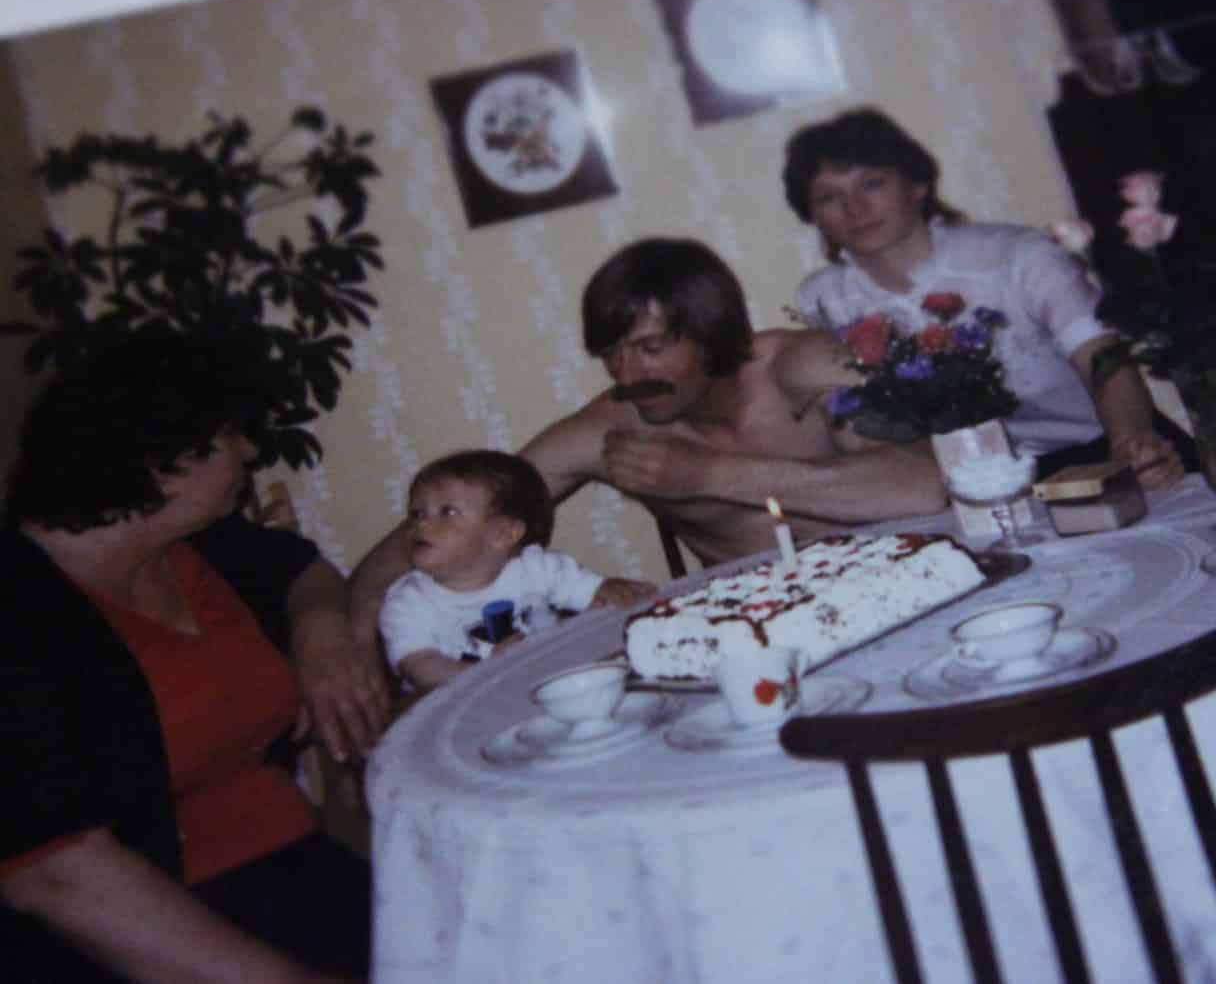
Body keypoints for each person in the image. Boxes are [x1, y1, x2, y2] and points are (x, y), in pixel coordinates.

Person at [0, 332, 370, 983]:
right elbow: (53, 873)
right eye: (232, 432)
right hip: (160, 937)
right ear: (163, 459)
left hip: (301, 869)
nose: (251, 449)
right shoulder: (19, 611)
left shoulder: (197, 543)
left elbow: (302, 570)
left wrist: (322, 629)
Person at [346, 237, 946, 617]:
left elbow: (923, 486)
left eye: (651, 347)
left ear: (711, 336)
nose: (627, 373)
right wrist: (351, 617)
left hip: (906, 591)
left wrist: (713, 474)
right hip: (770, 627)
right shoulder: (608, 429)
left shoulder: (805, 367)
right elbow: (458, 512)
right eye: (612, 353)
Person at [783, 105, 1194, 487]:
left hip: (1105, 451)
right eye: (828, 197)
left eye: (871, 183)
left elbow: (1103, 358)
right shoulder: (825, 301)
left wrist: (1132, 442)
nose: (854, 208)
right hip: (968, 483)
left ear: (917, 184)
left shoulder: (1018, 256)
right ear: (811, 215)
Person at [378, 449, 654, 691]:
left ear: (503, 534)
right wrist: (484, 674)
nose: (422, 525)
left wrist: (612, 594)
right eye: (417, 513)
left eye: (447, 512)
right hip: (463, 703)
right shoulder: (408, 601)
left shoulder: (537, 568)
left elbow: (595, 593)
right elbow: (418, 665)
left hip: (546, 683)